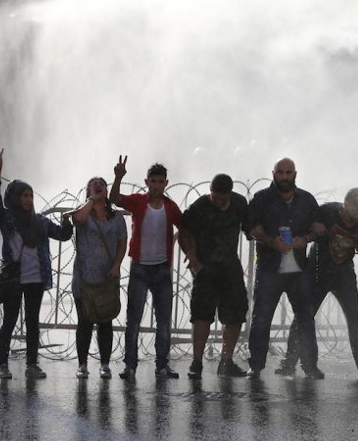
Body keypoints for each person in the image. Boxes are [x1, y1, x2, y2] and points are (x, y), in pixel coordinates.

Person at [276, 187, 358, 379]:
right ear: (346, 204)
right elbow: (305, 227)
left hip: (344, 271)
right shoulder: (327, 212)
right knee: (305, 314)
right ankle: (290, 363)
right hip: (318, 268)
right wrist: (310, 232)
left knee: (355, 316)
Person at [0, 148, 73, 380]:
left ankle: (31, 365)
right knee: (9, 321)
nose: (28, 200)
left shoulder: (40, 222)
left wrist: (68, 221)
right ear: (15, 198)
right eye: (24, 195)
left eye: (31, 196)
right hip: (15, 278)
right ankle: (3, 365)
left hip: (36, 279)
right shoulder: (7, 219)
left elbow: (63, 235)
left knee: (33, 323)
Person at [245, 158, 325, 379]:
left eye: (288, 172)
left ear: (295, 174)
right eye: (280, 172)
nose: (284, 177)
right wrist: (272, 242)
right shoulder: (262, 199)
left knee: (305, 318)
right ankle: (256, 365)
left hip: (298, 269)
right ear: (273, 173)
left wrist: (306, 238)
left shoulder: (306, 200)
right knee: (262, 317)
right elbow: (251, 229)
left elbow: (319, 228)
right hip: (270, 266)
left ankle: (310, 366)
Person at [110, 156, 183, 380]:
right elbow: (114, 199)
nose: (157, 185)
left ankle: (162, 365)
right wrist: (118, 177)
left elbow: (186, 227)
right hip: (140, 268)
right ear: (146, 182)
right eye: (153, 181)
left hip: (162, 270)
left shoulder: (170, 207)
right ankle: (130, 365)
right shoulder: (138, 202)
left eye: (161, 182)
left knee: (163, 320)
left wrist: (191, 252)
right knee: (133, 319)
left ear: (166, 183)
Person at [179, 173, 249, 379]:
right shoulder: (200, 206)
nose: (218, 202)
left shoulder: (238, 203)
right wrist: (191, 254)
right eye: (215, 198)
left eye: (222, 199)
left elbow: (249, 227)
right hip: (205, 267)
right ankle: (197, 362)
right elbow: (183, 229)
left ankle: (226, 361)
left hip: (229, 266)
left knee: (235, 314)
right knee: (201, 315)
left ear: (229, 194)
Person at [71, 177, 127, 379]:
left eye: (102, 184)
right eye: (93, 184)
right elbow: (78, 220)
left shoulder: (117, 217)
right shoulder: (83, 212)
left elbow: (122, 242)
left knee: (105, 321)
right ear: (88, 190)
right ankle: (82, 364)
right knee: (84, 321)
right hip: (84, 278)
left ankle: (104, 364)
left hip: (107, 276)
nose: (98, 186)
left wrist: (117, 264)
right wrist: (91, 201)